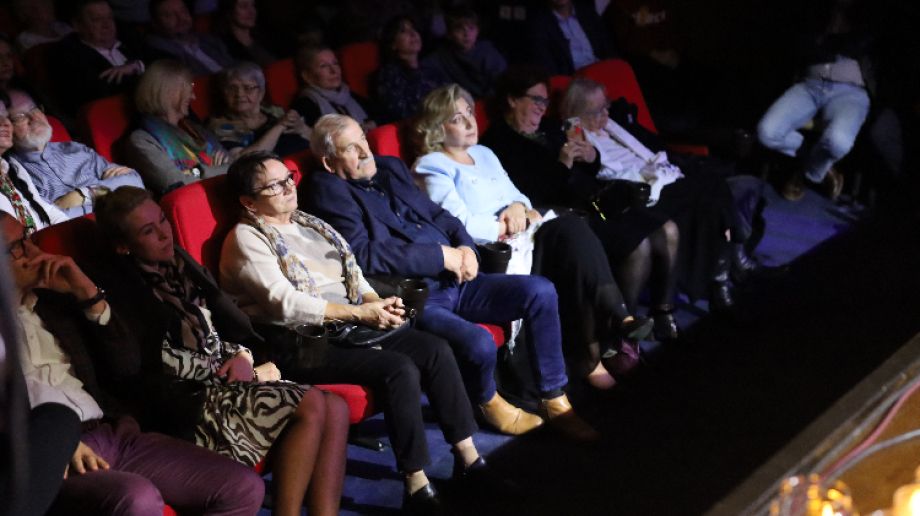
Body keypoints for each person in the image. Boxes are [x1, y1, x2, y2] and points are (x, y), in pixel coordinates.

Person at [220, 150, 517, 513]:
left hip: (349, 324)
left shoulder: (309, 223)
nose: (288, 188)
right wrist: (360, 313)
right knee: (398, 368)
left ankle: (468, 459)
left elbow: (353, 273)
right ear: (249, 201)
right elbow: (286, 304)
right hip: (299, 341)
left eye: (288, 178)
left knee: (435, 349)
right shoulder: (246, 239)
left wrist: (377, 302)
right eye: (274, 186)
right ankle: (416, 482)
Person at [305, 114, 601, 443]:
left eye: (363, 138)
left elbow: (438, 214)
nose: (364, 151)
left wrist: (466, 247)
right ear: (329, 162)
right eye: (350, 147)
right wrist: (439, 255)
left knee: (540, 291)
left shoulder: (390, 167)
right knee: (479, 342)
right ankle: (486, 403)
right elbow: (362, 253)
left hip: (458, 278)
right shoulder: (328, 188)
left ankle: (554, 398)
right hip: (416, 296)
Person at [88, 186, 349, 516]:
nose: (165, 234)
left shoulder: (178, 262)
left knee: (337, 407)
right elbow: (153, 364)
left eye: (163, 220)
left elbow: (223, 326)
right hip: (184, 401)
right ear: (123, 246)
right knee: (310, 402)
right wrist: (234, 368)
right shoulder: (118, 288)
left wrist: (243, 355)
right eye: (148, 231)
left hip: (221, 380)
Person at [2, 210, 266, 516]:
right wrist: (53, 443)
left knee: (243, 487)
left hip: (111, 431)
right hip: (47, 457)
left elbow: (127, 365)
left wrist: (88, 294)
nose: (34, 251)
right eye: (17, 247)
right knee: (137, 498)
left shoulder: (56, 299)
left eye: (28, 238)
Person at [413, 84, 652, 388]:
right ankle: (606, 337)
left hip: (526, 236)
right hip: (492, 253)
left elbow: (520, 197)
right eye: (458, 119)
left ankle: (609, 334)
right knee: (570, 232)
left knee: (574, 234)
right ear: (436, 128)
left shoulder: (483, 153)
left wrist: (518, 207)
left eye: (470, 113)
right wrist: (510, 224)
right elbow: (458, 224)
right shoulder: (431, 165)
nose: (471, 122)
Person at [480, 67, 682, 338]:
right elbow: (527, 193)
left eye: (545, 101)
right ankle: (621, 332)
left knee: (668, 229)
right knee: (639, 246)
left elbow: (586, 170)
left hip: (596, 200)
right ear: (512, 100)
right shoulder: (498, 141)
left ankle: (663, 312)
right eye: (536, 100)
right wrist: (562, 165)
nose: (542, 107)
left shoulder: (549, 128)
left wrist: (591, 157)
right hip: (562, 214)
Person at [561, 77, 763, 314]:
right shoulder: (575, 132)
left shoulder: (614, 124)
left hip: (663, 175)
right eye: (597, 111)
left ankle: (721, 280)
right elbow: (573, 136)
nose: (605, 114)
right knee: (713, 184)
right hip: (640, 190)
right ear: (578, 113)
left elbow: (654, 144)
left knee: (711, 199)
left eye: (606, 105)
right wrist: (583, 139)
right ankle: (732, 265)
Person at [756, 0, 871, 202]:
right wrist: (826, 43)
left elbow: (857, 45)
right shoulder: (816, 12)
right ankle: (822, 166)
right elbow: (799, 45)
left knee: (838, 142)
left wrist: (824, 43)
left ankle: (806, 174)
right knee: (767, 133)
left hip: (850, 92)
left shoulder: (866, 15)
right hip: (809, 86)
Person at [7, 89, 145, 219]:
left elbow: (134, 181)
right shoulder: (14, 174)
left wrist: (81, 196)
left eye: (34, 109)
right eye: (20, 117)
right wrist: (109, 190)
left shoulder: (74, 149)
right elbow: (51, 220)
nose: (34, 118)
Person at [123, 60, 233, 197]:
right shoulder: (141, 140)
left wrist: (195, 172)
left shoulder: (195, 130)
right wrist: (215, 168)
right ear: (170, 92)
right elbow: (177, 183)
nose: (193, 97)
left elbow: (234, 167)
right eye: (188, 90)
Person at [51, 0, 156, 117]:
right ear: (78, 25)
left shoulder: (128, 37)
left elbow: (161, 60)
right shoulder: (69, 54)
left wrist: (135, 66)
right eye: (97, 19)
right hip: (115, 116)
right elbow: (96, 91)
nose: (107, 25)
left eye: (110, 17)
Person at [208, 62, 311, 158]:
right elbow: (242, 158)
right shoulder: (220, 124)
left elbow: (313, 138)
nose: (239, 94)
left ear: (261, 92)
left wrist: (301, 127)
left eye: (248, 88)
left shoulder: (275, 111)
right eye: (232, 88)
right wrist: (279, 126)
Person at [0, 95, 68, 235]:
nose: (5, 122)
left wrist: (70, 231)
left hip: (44, 241)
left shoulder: (11, 166)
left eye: (5, 115)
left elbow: (44, 209)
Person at [422, 7, 506, 99]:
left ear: (477, 30)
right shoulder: (441, 56)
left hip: (486, 101)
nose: (467, 34)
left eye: (471, 28)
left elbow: (501, 80)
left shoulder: (487, 51)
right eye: (459, 30)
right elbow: (425, 70)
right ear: (449, 34)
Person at [375, 16, 446, 123]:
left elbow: (449, 93)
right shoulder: (390, 73)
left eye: (413, 29)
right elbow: (399, 112)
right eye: (403, 31)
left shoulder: (429, 68)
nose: (413, 34)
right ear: (393, 44)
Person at [292, 45, 378, 132]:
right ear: (307, 76)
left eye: (335, 63)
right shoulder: (305, 105)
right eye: (324, 66)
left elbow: (381, 115)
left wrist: (373, 124)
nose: (334, 71)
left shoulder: (348, 94)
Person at [145, 0, 235, 78]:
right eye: (170, 15)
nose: (180, 18)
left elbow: (234, 66)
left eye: (183, 11)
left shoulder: (210, 40)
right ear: (156, 23)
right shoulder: (158, 51)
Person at [527, 0, 618, 76]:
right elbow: (548, 67)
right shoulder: (539, 25)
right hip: (575, 82)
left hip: (602, 71)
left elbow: (609, 48)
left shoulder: (587, 13)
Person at [213, 0, 278, 65]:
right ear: (230, 11)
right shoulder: (222, 46)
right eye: (243, 6)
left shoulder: (268, 37)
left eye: (253, 5)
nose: (251, 11)